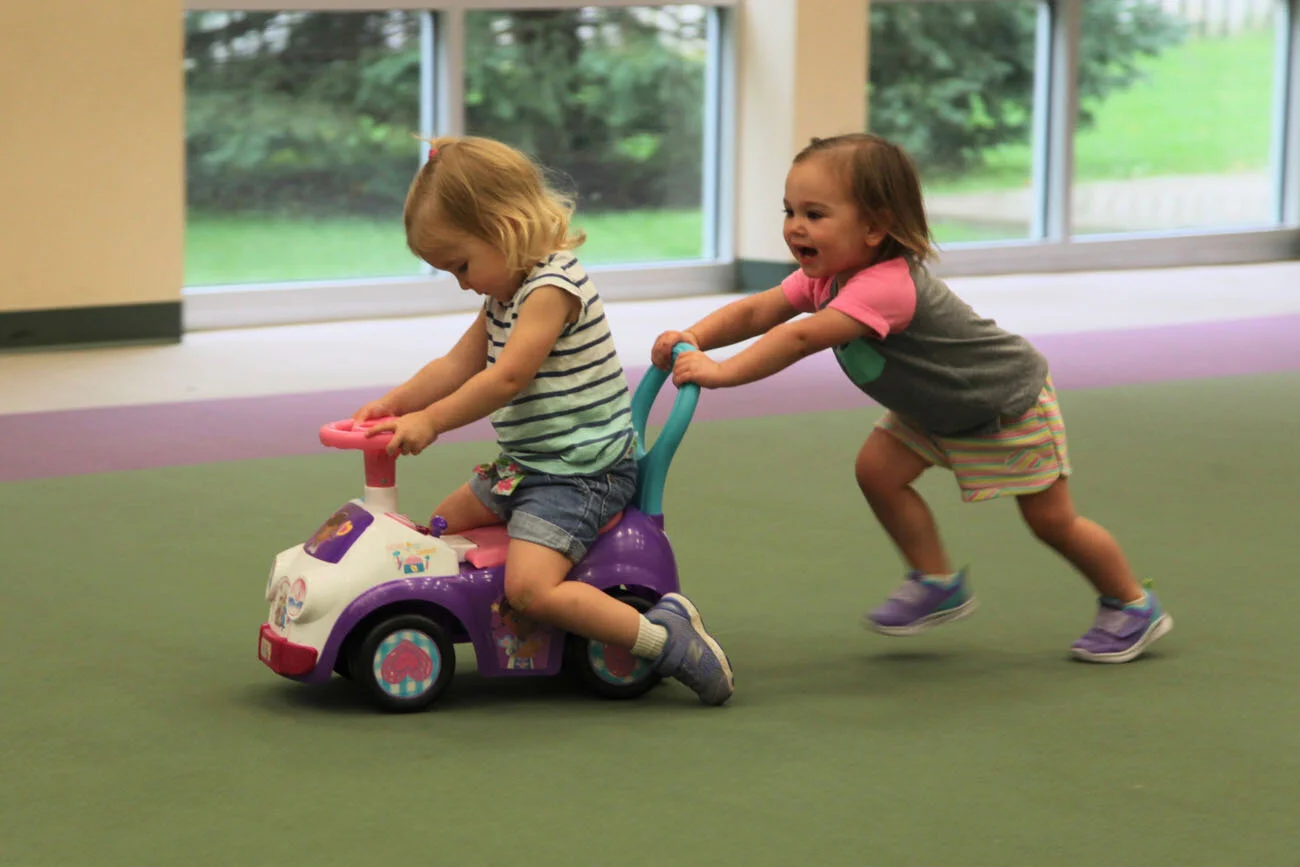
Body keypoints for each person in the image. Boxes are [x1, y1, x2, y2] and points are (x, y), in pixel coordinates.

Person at [652, 132, 1171, 664]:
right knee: (877, 470)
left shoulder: (886, 287)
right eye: (790, 211)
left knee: (1051, 522)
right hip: (935, 409)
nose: (795, 227)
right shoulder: (826, 276)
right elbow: (759, 311)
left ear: (875, 228)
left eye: (815, 213)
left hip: (1003, 404)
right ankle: (936, 580)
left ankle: (1131, 603)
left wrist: (720, 372)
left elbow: (800, 337)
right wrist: (691, 335)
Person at [355, 135, 734, 703]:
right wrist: (396, 404)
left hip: (581, 475)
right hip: (531, 463)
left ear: (505, 227)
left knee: (530, 589)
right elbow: (457, 364)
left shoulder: (554, 288)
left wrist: (431, 422)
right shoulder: (503, 294)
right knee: (442, 527)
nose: (462, 283)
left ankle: (667, 640)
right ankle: (507, 630)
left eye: (461, 265)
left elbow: (506, 377)